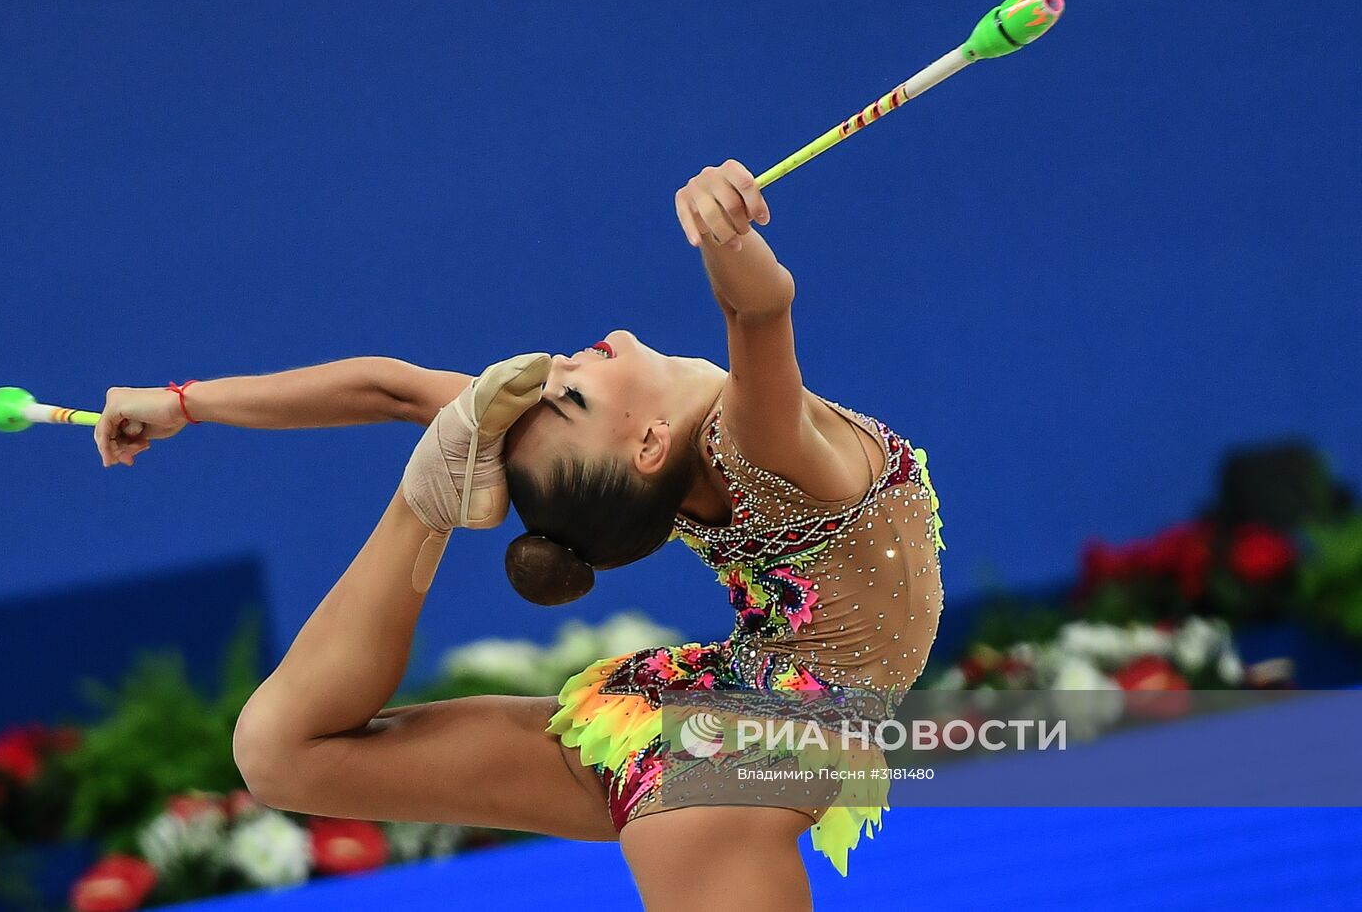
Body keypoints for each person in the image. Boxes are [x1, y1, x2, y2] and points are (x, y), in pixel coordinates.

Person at [94, 159, 945, 908]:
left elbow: (389, 388)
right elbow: (761, 307)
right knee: (279, 752)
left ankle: (430, 498)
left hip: (706, 726)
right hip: (733, 754)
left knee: (281, 754)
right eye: (570, 395)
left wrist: (183, 401)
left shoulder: (663, 460)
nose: (562, 363)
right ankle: (426, 502)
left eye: (557, 387)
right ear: (647, 445)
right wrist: (723, 232)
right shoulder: (751, 441)